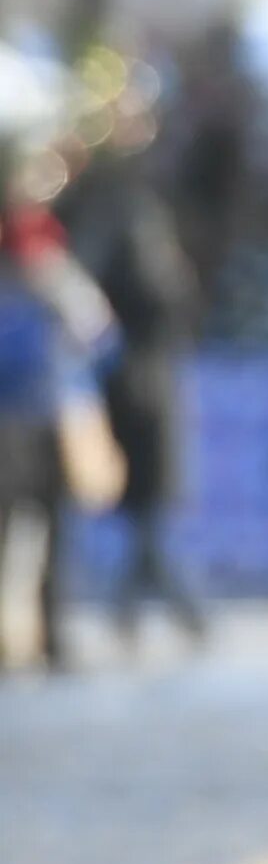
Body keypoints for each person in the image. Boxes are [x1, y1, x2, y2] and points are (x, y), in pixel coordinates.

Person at [68, 149, 208, 646]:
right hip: (142, 388)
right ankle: (173, 614)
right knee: (147, 511)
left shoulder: (120, 223)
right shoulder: (133, 229)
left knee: (147, 517)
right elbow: (162, 297)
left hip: (138, 384)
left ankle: (145, 612)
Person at [0, 202, 120, 670]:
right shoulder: (13, 297)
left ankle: (53, 636)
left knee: (55, 537)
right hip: (13, 426)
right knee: (12, 536)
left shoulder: (69, 292)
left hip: (57, 426)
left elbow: (106, 346)